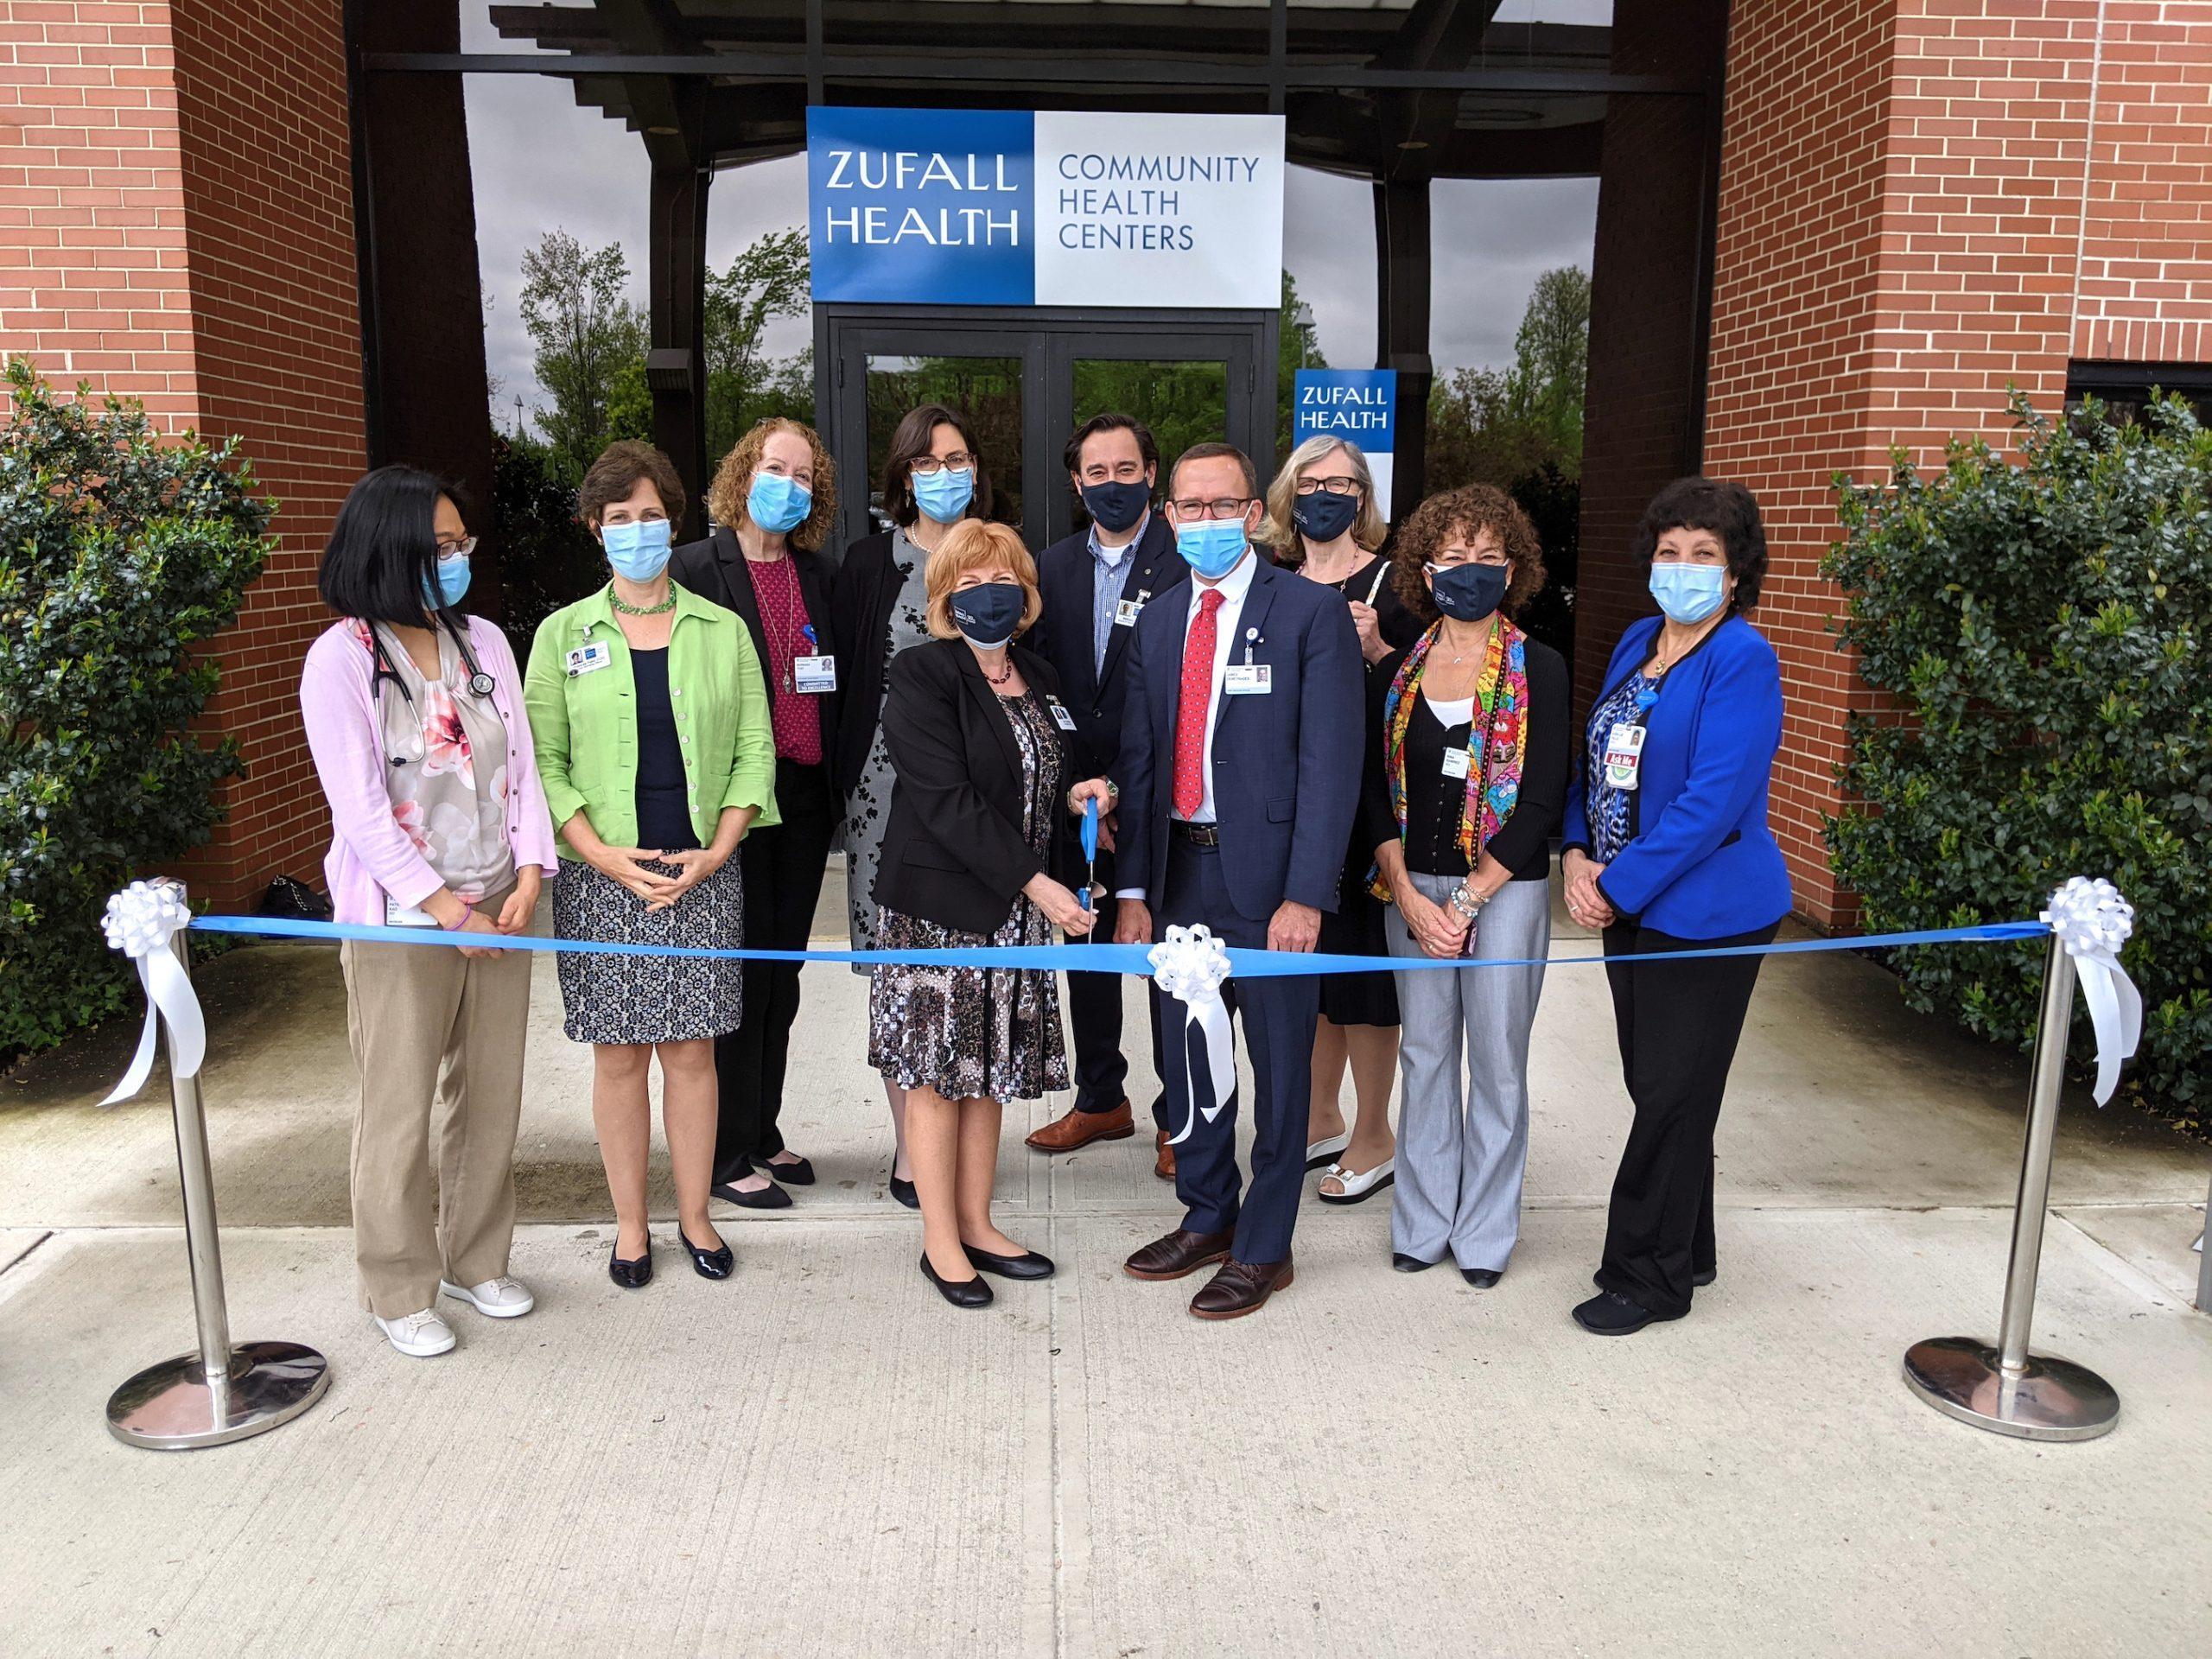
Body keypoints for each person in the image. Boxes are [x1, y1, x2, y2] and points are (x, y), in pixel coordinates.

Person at [300, 467, 558, 1358]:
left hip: (503, 901)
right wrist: (447, 907)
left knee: (489, 1098)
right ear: (389, 550)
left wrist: (529, 873)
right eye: (439, 547)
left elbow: (521, 766)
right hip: (403, 919)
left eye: (462, 546)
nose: (456, 562)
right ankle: (397, 1283)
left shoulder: (483, 639)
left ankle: (475, 1259)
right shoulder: (341, 659)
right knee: (399, 1106)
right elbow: (360, 809)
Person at [1112, 442, 1365, 1320]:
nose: (1207, 521)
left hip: (1271, 888)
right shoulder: (1155, 621)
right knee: (1189, 1061)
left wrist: (1307, 893)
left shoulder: (1308, 613)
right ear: (1169, 516)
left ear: (1255, 513)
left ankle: (1264, 1244)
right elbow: (1140, 765)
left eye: (1225, 506)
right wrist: (1132, 890)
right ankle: (1208, 1214)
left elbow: (1331, 768)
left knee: (1281, 1071)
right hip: (1178, 874)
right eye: (1191, 507)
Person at [524, 441, 777, 1291]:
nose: (638, 531)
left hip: (701, 871)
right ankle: (631, 1226)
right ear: (595, 529)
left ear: (674, 521)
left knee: (695, 1056)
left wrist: (721, 847)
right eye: (620, 518)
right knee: (620, 1058)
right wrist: (596, 854)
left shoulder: (722, 629)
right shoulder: (563, 635)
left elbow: (753, 748)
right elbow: (542, 764)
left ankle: (695, 1215)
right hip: (602, 880)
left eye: (652, 515)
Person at [1560, 476, 1791, 1336]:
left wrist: (1614, 886)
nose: (1683, 568)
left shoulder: (1741, 657)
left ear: (1735, 575)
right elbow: (1596, 759)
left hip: (1708, 911)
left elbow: (1712, 799)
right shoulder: (1635, 640)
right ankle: (1688, 1244)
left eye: (1705, 555)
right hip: (1627, 905)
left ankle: (1647, 1277)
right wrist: (1578, 856)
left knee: (1668, 1090)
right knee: (1662, 1084)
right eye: (1670, 552)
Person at [867, 519, 1111, 1309]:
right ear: (944, 600)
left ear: (1027, 593)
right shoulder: (922, 674)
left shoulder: (1038, 674)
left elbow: (1044, 782)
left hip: (1015, 914)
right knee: (940, 1078)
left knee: (988, 1074)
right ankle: (940, 1241)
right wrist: (1040, 886)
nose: (987, 596)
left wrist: (1081, 798)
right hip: (943, 913)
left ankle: (976, 1220)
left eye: (1001, 580)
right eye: (967, 585)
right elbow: (948, 802)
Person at [1361, 485, 1568, 1286]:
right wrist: (1411, 896)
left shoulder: (1537, 667)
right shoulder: (1398, 673)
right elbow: (1372, 790)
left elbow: (1543, 796)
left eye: (1488, 558)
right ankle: (1420, 1222)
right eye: (1454, 556)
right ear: (1424, 566)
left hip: (1504, 891)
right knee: (1426, 1055)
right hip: (1412, 888)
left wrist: (1470, 899)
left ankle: (1484, 1233)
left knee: (1500, 1063)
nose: (1470, 571)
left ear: (1511, 570)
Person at [671, 418, 841, 1211]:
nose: (789, 485)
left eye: (804, 475)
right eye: (777, 467)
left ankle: (764, 1127)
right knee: (734, 976)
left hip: (802, 799)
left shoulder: (818, 576)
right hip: (733, 805)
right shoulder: (693, 570)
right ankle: (727, 1148)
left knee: (782, 973)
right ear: (744, 473)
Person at [830, 403, 992, 1210]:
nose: (943, 475)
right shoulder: (866, 563)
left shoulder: (995, 553)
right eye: (926, 464)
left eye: (956, 459)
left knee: (968, 971)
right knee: (898, 975)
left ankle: (962, 1141)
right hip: (883, 797)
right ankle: (910, 1149)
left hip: (975, 796)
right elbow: (849, 676)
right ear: (902, 478)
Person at [1260, 434, 1423, 1205]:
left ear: (1365, 497)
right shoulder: (1274, 579)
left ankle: (1373, 1133)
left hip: (1365, 804)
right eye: (1313, 481)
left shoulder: (1394, 585)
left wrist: (1381, 648)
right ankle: (1321, 1116)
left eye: (1345, 483)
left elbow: (1434, 692)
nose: (1328, 494)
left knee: (1363, 979)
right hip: (1294, 804)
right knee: (1313, 971)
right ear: (1291, 494)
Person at [1023, 412, 1185, 1172]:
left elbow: (1188, 700)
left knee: (1163, 959)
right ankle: (1101, 1099)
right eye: (1097, 472)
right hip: (1073, 801)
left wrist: (1123, 787)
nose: (1112, 484)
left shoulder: (1185, 560)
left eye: (1127, 469)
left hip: (1161, 797)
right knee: (1085, 954)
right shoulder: (1049, 566)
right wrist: (1079, 790)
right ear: (1076, 482)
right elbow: (1039, 685)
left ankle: (1178, 1119)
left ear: (1152, 475)